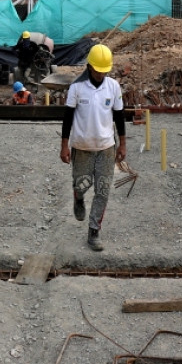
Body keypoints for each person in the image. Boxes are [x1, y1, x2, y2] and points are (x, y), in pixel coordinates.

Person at [60, 43, 127, 252]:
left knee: (103, 190)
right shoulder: (77, 88)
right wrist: (64, 146)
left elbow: (119, 116)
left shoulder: (113, 87)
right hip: (81, 146)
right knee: (82, 184)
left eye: (104, 71)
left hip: (106, 147)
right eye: (98, 70)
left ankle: (94, 231)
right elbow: (68, 117)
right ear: (89, 67)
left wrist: (122, 144)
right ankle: (78, 197)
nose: (101, 74)